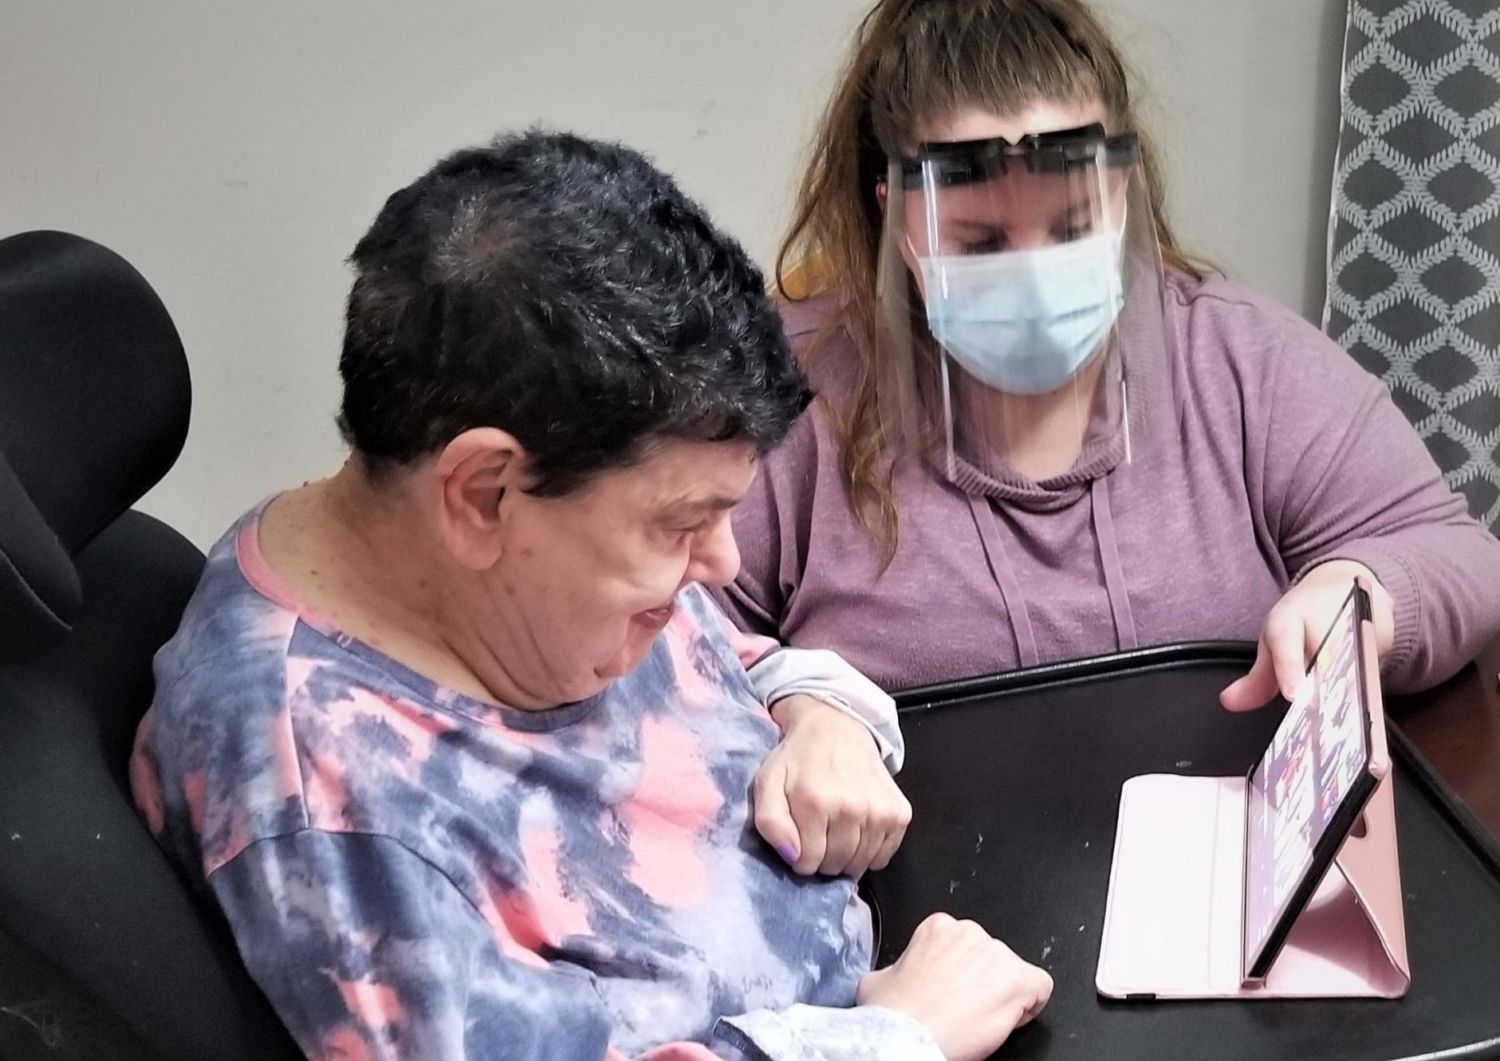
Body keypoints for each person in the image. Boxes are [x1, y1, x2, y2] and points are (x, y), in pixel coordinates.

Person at [129, 131, 1052, 1061]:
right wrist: (890, 1040)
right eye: (682, 523)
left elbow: (717, 667)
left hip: (904, 957)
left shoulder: (498, 558)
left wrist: (816, 712)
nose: (723, 563)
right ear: (482, 492)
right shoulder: (329, 801)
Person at [718, 0, 1500, 707]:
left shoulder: (1241, 362)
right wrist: (795, 698)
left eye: (1071, 227)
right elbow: (673, 639)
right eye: (981, 241)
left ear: (1121, 195)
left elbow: (1458, 556)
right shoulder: (789, 398)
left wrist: (1360, 590)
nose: (1032, 272)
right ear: (898, 221)